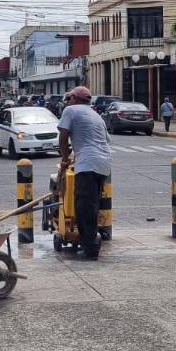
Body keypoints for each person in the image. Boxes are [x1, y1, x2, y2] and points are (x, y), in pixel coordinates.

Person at [57, 85, 111, 260]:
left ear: (75, 99)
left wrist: (65, 158)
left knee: (84, 207)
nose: (68, 101)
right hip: (103, 163)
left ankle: (91, 248)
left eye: (69, 98)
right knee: (92, 205)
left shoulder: (70, 110)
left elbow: (63, 136)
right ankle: (90, 239)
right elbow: (104, 140)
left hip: (88, 162)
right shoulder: (96, 115)